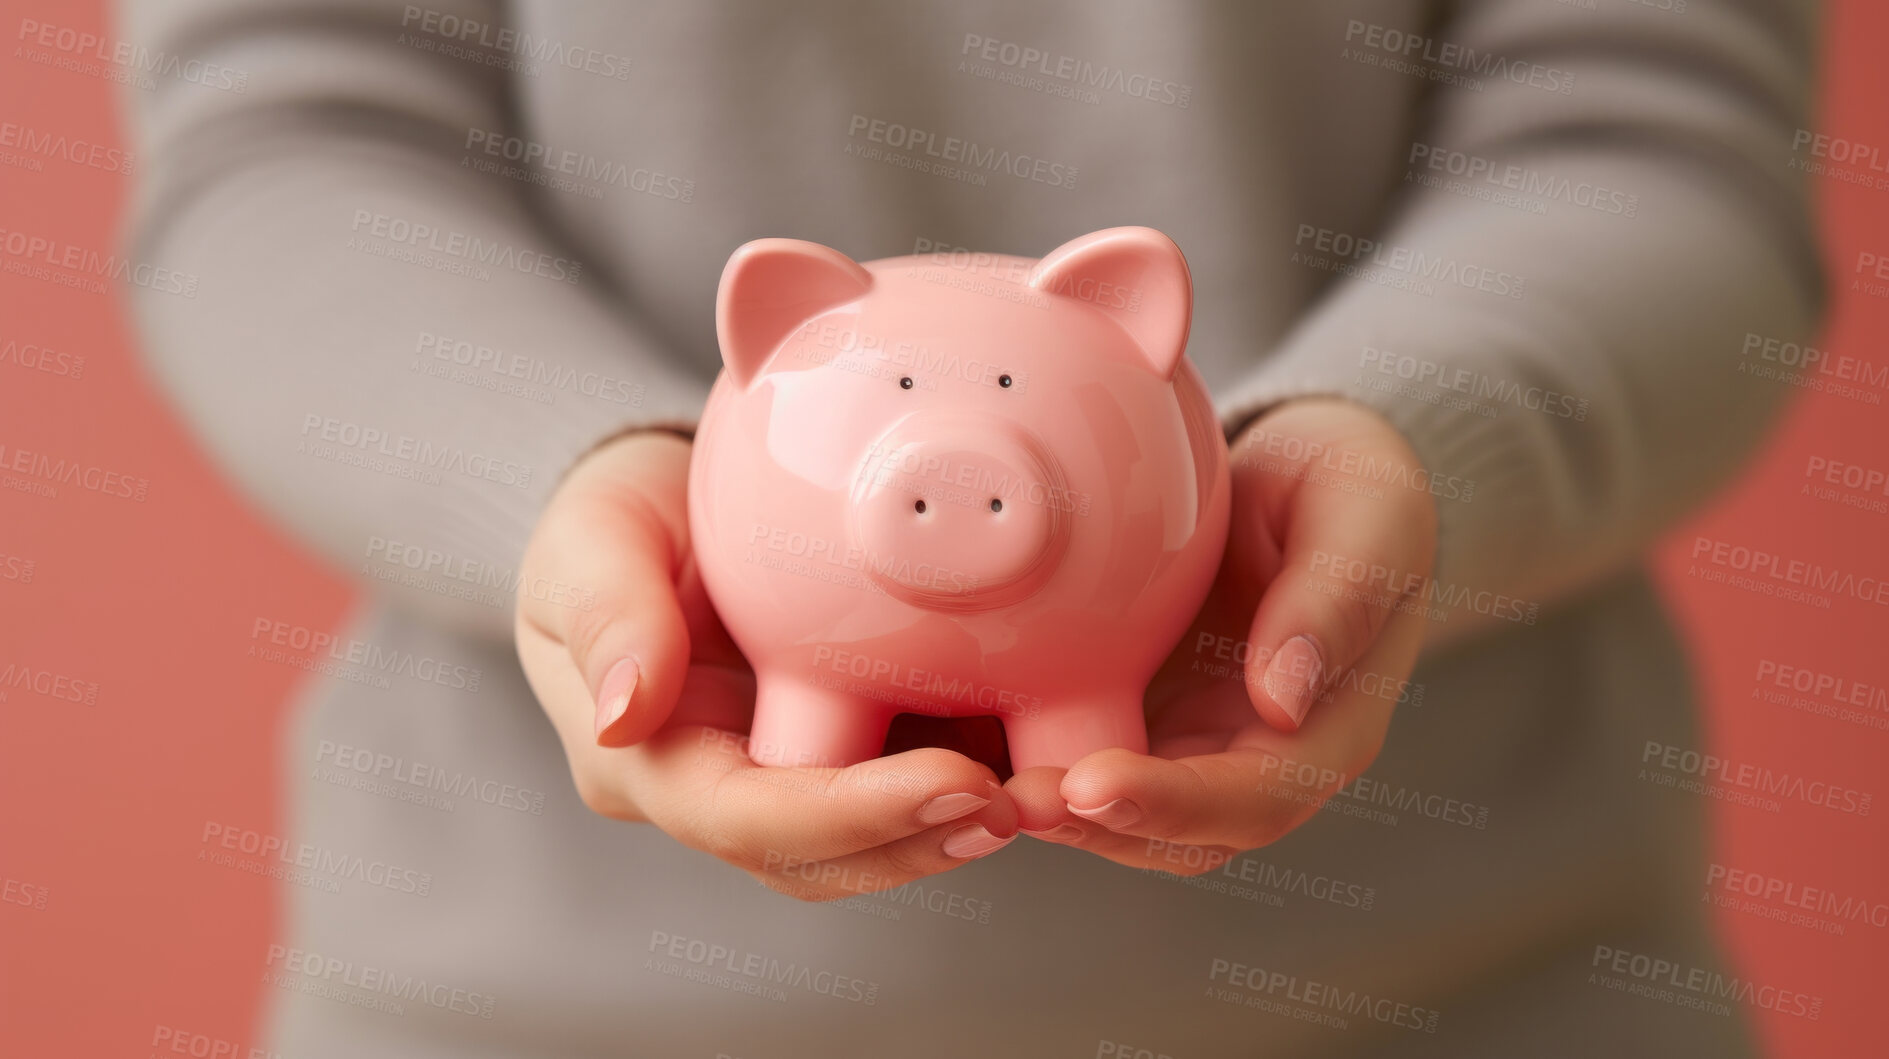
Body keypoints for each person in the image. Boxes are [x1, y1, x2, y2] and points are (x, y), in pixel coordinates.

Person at [118, 0, 1824, 1055]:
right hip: (534, 1011)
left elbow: (1644, 126)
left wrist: (1403, 457)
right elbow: (289, 127)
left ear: (1124, 320)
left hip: (1466, 1004)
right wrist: (563, 485)